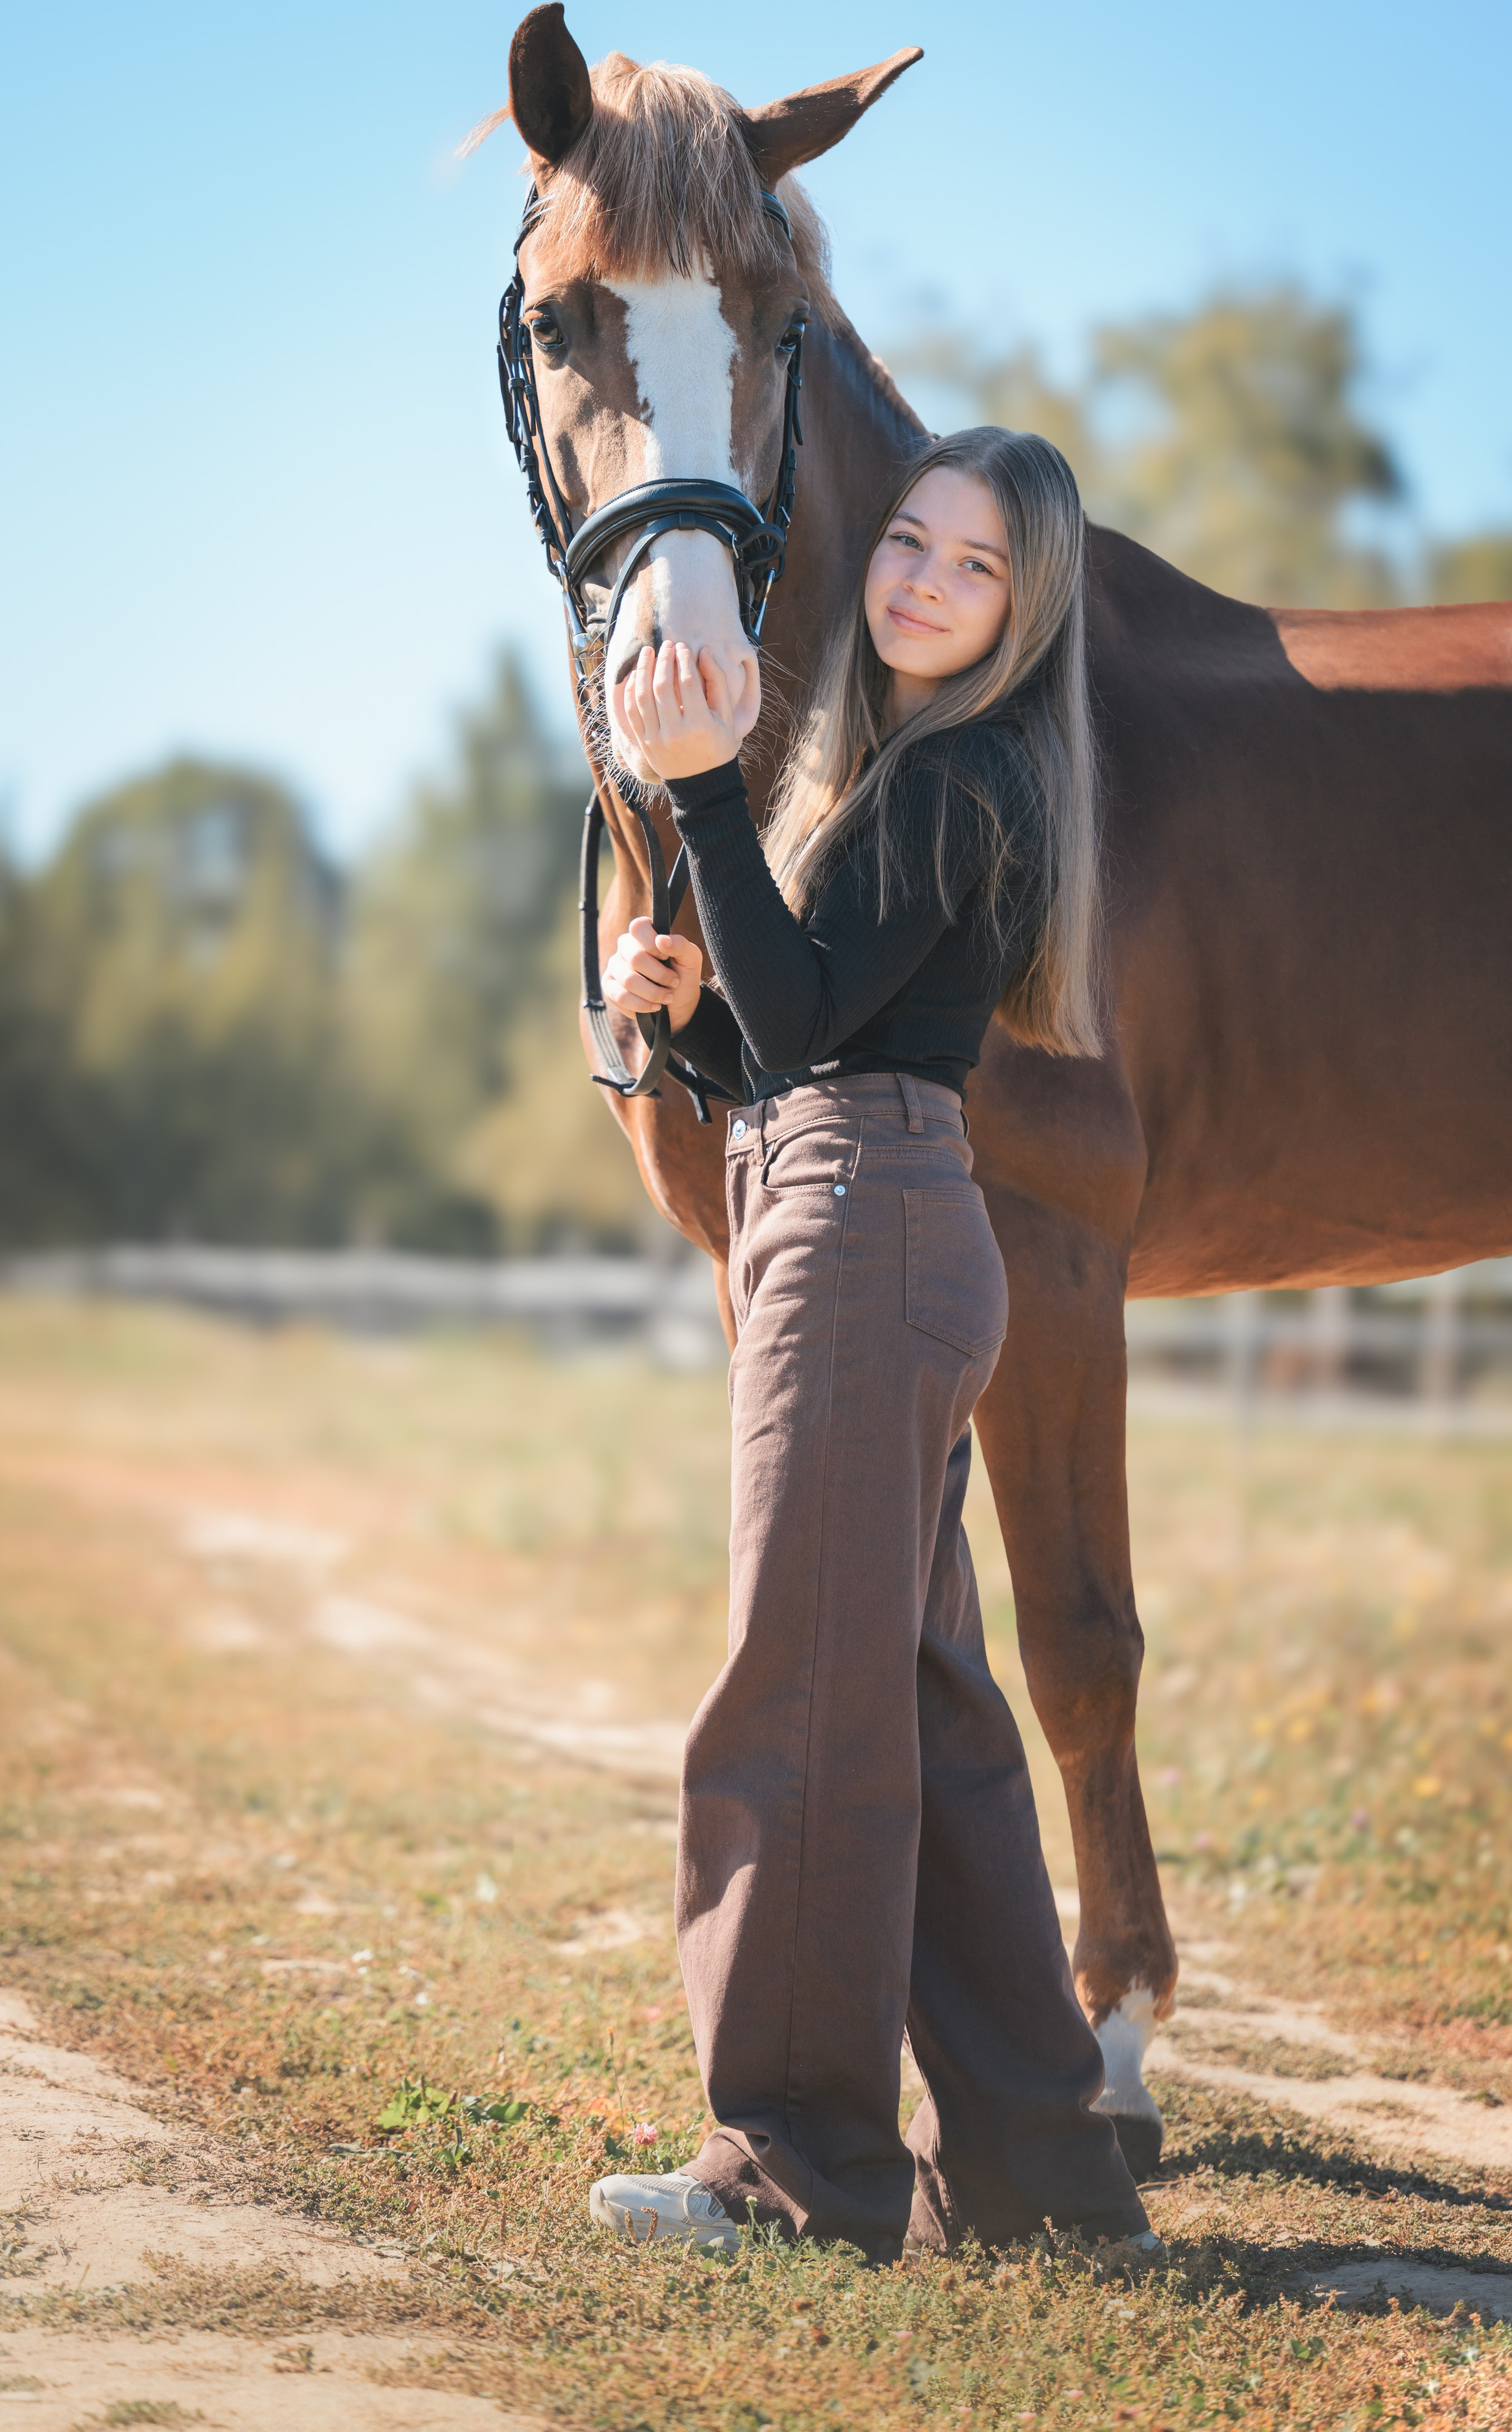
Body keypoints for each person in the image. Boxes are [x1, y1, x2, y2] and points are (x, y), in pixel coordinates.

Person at [586, 427, 1156, 2264]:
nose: (915, 579)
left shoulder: (951, 782)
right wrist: (666, 1026)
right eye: (908, 540)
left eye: (970, 564)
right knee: (916, 1704)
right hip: (872, 1205)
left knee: (799, 1704)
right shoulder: (946, 774)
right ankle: (1041, 2164)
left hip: (862, 1232)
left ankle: (798, 2175)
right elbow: (790, 1041)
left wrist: (700, 800)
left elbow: (815, 1016)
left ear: (1027, 603)